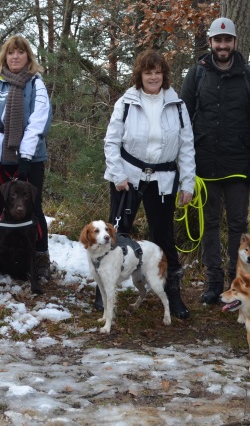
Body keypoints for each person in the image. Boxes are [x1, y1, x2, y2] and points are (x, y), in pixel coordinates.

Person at [103, 49, 195, 319]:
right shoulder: (127, 102)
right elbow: (111, 141)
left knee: (164, 237)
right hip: (128, 178)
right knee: (116, 235)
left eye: (158, 72)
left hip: (163, 180)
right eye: (148, 72)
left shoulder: (177, 105)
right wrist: (118, 175)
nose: (153, 77)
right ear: (139, 75)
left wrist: (186, 183)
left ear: (164, 75)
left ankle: (172, 294)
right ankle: (104, 292)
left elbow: (187, 147)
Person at [179, 17, 250, 304]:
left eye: (228, 40)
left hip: (239, 166)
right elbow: (183, 121)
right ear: (211, 42)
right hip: (205, 164)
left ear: (235, 42)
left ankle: (236, 280)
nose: (223, 45)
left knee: (238, 224)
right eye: (218, 40)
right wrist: (186, 163)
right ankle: (213, 281)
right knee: (210, 224)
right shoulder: (196, 75)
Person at [0, 34, 52, 285]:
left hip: (30, 157)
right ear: (4, 57)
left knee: (35, 210)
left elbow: (38, 120)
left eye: (20, 52)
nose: (15, 57)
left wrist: (26, 157)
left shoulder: (35, 84)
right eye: (11, 52)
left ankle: (40, 259)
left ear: (28, 56)